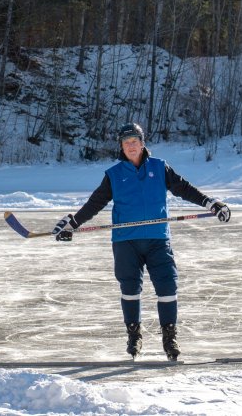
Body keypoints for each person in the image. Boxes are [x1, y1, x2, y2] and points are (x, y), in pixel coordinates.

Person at [51, 122, 230, 360]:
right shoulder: (114, 175)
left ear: (142, 143)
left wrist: (210, 203)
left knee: (167, 287)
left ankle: (169, 337)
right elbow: (95, 203)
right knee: (130, 289)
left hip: (158, 239)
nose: (131, 146)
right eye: (126, 143)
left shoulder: (160, 167)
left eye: (134, 141)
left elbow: (184, 188)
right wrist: (73, 223)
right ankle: (134, 335)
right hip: (126, 242)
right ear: (121, 147)